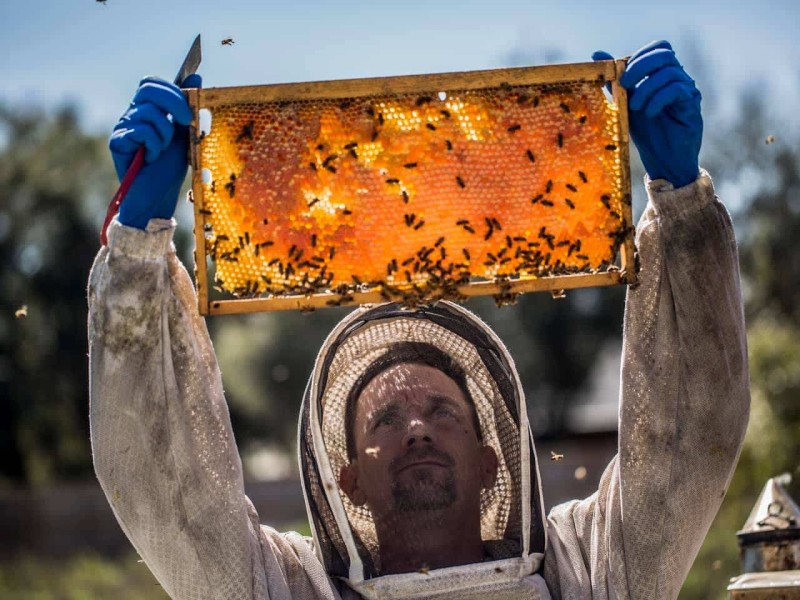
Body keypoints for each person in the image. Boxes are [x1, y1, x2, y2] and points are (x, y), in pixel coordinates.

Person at [89, 40, 750, 599]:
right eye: (383, 419)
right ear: (346, 478)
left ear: (493, 459)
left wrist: (684, 210)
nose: (415, 430)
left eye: (443, 414)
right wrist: (137, 250)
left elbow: (686, 434)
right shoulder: (285, 587)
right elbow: (163, 487)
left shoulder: (591, 567)